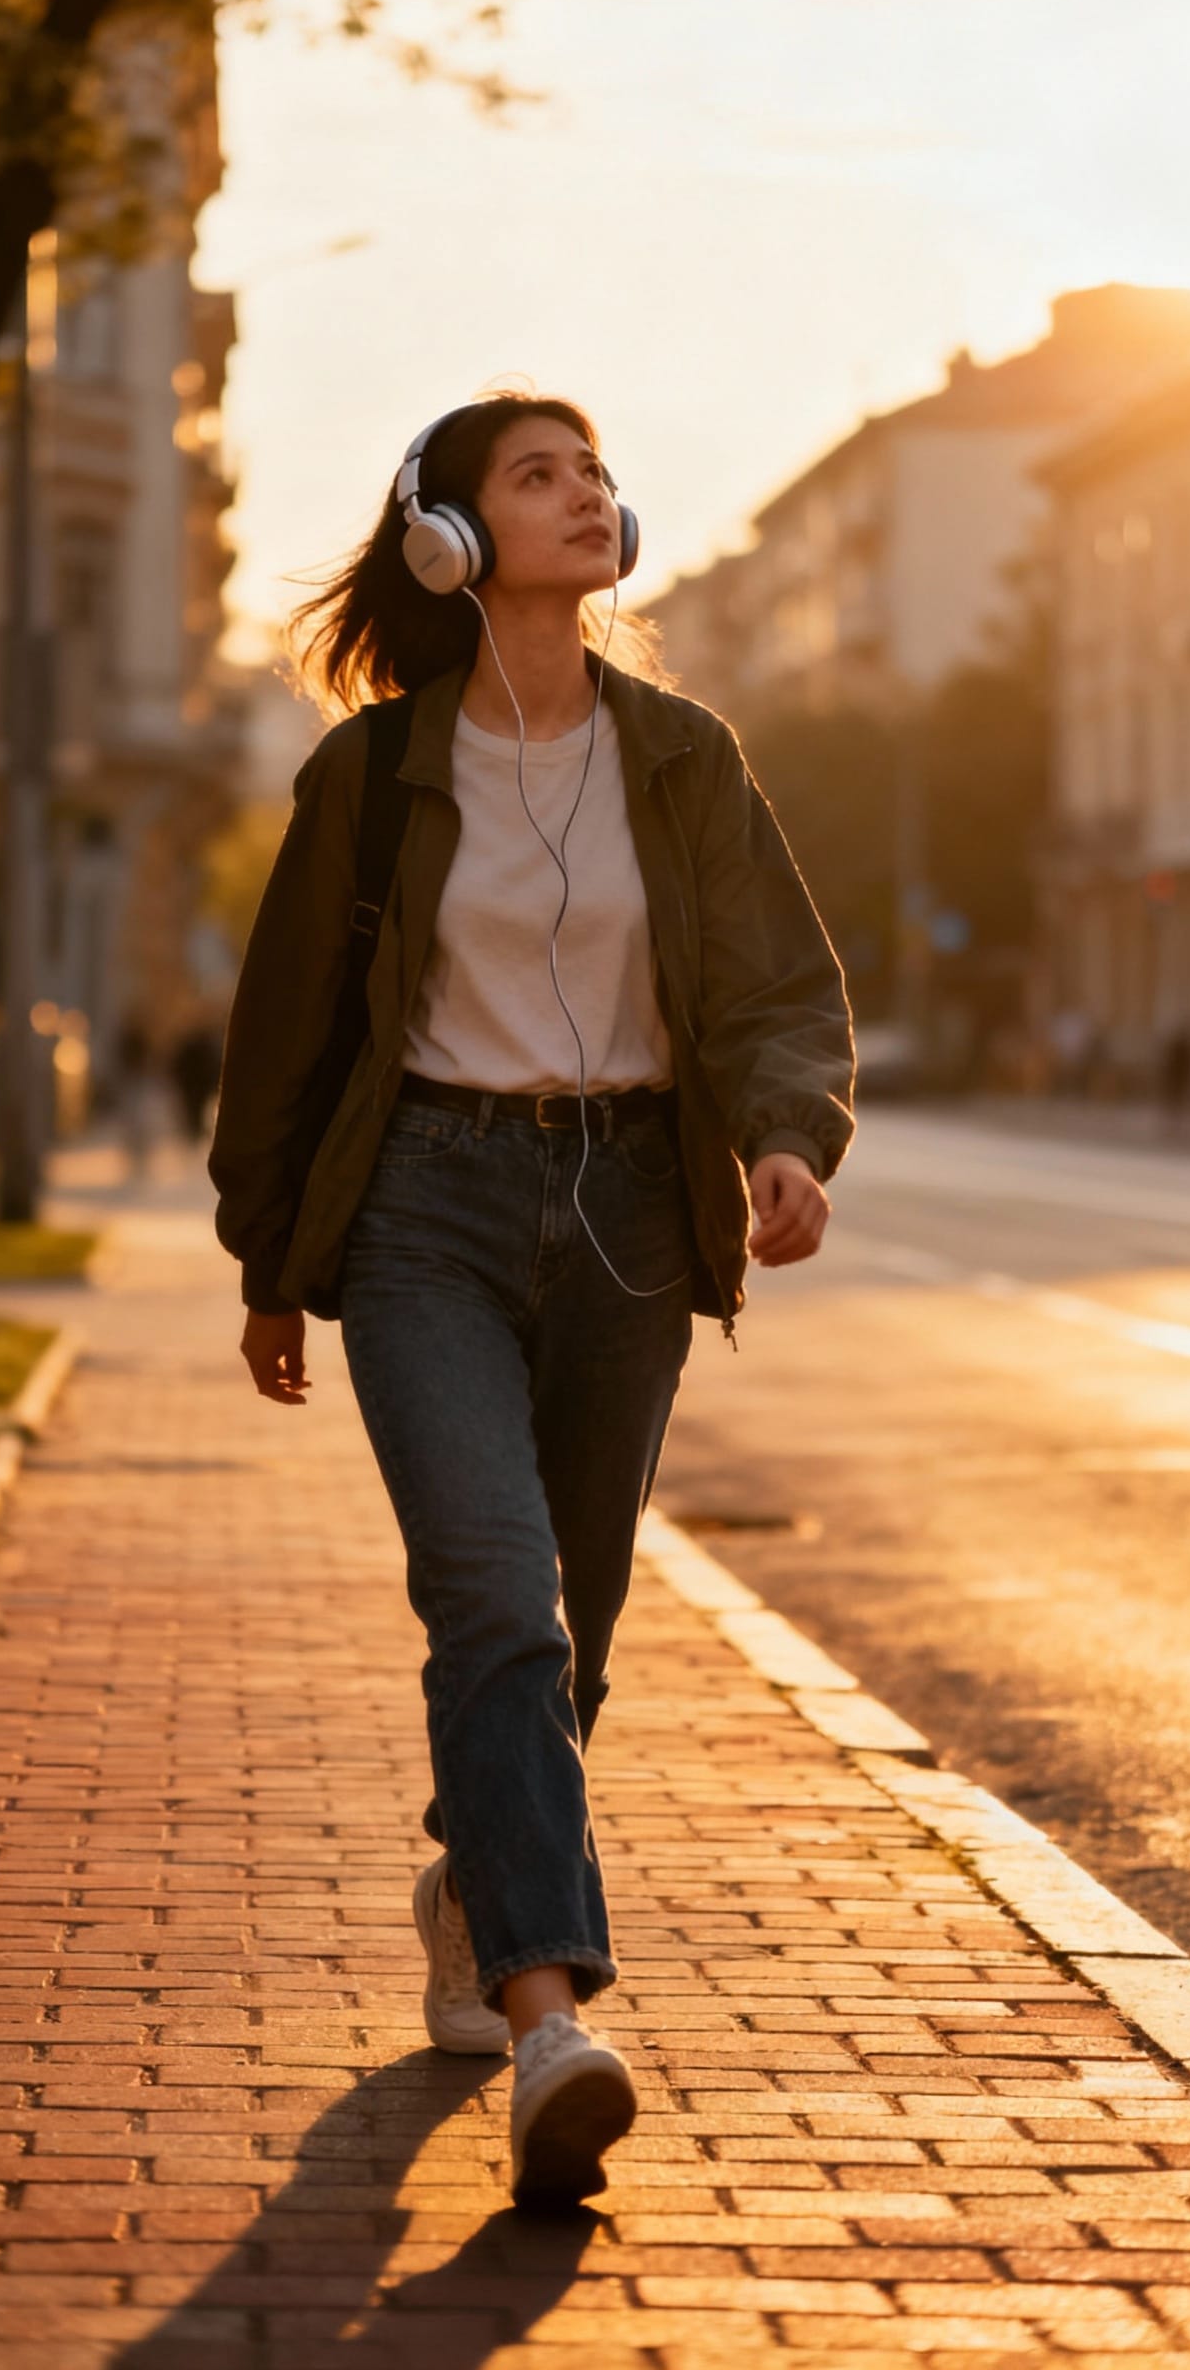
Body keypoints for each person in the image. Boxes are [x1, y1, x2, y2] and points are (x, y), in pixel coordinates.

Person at [208, 393, 855, 2208]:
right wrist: (272, 1260)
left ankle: (471, 1881)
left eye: (594, 472)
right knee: (492, 1593)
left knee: (572, 1618)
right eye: (537, 474)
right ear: (452, 538)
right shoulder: (373, 772)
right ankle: (552, 2017)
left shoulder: (682, 756)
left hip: (637, 1210)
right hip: (429, 1203)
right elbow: (284, 1041)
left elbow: (776, 979)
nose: (586, 494)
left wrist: (787, 1139)